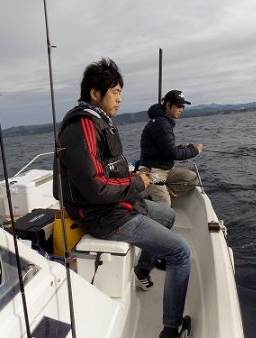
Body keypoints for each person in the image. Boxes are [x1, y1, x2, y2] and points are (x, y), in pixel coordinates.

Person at [52, 58, 191, 338]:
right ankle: (170, 330)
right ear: (95, 93)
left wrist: (131, 179)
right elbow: (96, 188)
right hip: (105, 216)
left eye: (120, 93)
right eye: (115, 92)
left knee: (169, 215)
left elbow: (104, 172)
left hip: (118, 205)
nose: (119, 99)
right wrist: (137, 182)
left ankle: (142, 270)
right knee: (181, 253)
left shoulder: (98, 122)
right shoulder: (84, 127)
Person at [139, 89, 203, 208]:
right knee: (165, 206)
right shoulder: (161, 123)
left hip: (163, 168)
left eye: (183, 106)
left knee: (192, 178)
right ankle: (154, 195)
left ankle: (157, 192)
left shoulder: (162, 121)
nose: (181, 109)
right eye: (179, 106)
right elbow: (172, 153)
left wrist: (180, 147)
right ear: (168, 105)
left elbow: (165, 149)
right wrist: (195, 150)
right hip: (154, 171)